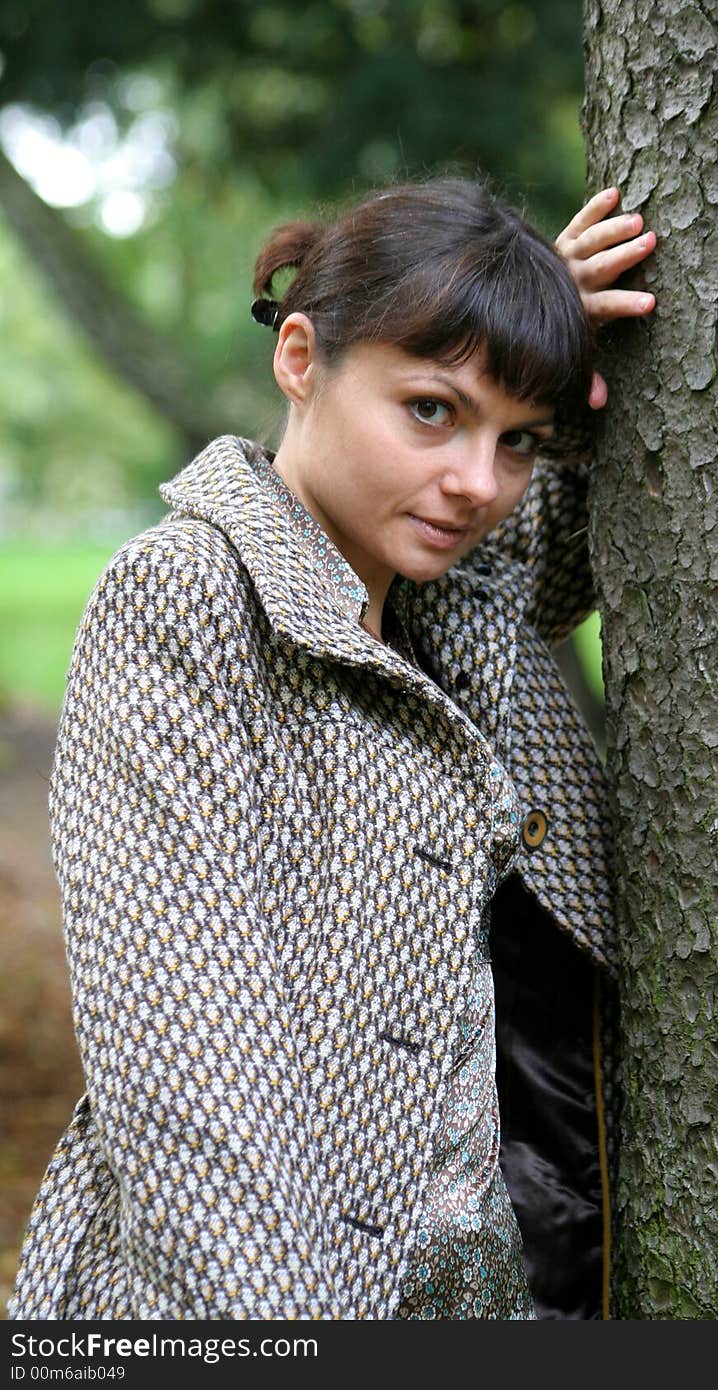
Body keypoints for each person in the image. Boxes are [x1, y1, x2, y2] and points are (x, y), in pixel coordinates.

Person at [7, 175, 655, 1321]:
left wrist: (536, 321)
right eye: (429, 408)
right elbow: (186, 1080)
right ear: (299, 358)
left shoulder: (443, 601)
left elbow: (563, 538)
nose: (476, 483)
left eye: (518, 440)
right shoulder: (188, 600)